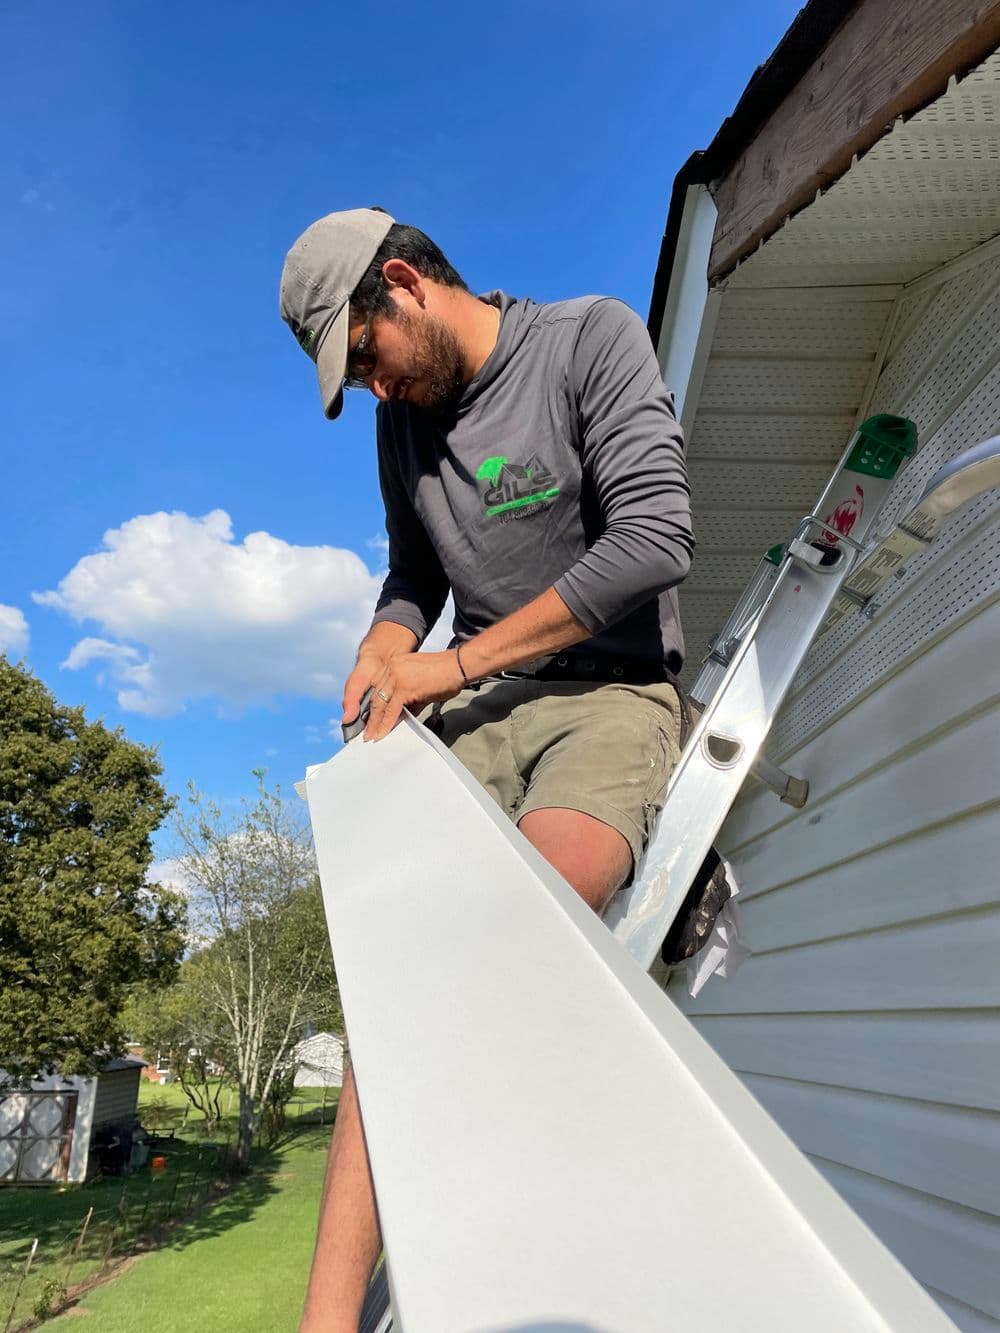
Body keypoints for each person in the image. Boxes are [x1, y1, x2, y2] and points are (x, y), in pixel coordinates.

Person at [279, 206, 694, 1332]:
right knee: (389, 960)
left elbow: (654, 539)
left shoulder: (589, 339)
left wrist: (449, 662)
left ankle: (507, 1244)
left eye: (366, 357)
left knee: (516, 926)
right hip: (475, 709)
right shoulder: (401, 425)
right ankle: (324, 1321)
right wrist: (383, 644)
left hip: (609, 693)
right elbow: (413, 573)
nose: (374, 391)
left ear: (403, 284)